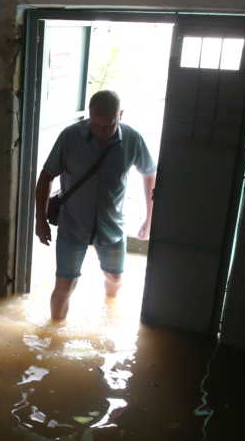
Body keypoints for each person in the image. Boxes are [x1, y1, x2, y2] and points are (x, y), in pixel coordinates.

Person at [34, 90, 157, 320]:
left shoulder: (133, 139)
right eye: (96, 124)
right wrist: (40, 221)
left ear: (120, 115)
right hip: (73, 226)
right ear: (89, 114)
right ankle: (53, 333)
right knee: (65, 286)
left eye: (109, 126)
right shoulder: (70, 137)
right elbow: (46, 177)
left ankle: (109, 314)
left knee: (115, 278)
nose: (102, 132)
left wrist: (150, 218)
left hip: (112, 227)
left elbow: (149, 175)